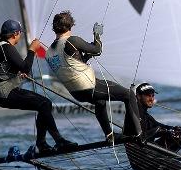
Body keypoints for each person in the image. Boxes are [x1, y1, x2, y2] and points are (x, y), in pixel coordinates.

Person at [0, 19, 77, 154]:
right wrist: (32, 50)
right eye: (20, 33)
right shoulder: (7, 48)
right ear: (15, 34)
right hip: (5, 94)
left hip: (1, 93)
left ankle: (43, 143)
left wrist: (15, 74)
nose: (20, 36)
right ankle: (57, 141)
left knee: (45, 104)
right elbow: (26, 68)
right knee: (44, 104)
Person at [45, 11, 138, 142]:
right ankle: (137, 134)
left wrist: (84, 56)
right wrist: (97, 34)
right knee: (129, 95)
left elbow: (71, 64)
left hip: (76, 93)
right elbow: (97, 50)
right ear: (71, 25)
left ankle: (110, 135)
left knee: (100, 102)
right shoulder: (72, 41)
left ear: (54, 27)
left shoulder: (48, 52)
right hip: (89, 86)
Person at [124, 82, 181, 170]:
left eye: (153, 95)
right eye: (148, 95)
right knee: (180, 169)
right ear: (138, 96)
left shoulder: (146, 115)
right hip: (140, 159)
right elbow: (142, 137)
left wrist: (173, 129)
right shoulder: (133, 114)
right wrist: (159, 131)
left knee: (180, 136)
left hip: (151, 154)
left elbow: (160, 126)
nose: (152, 98)